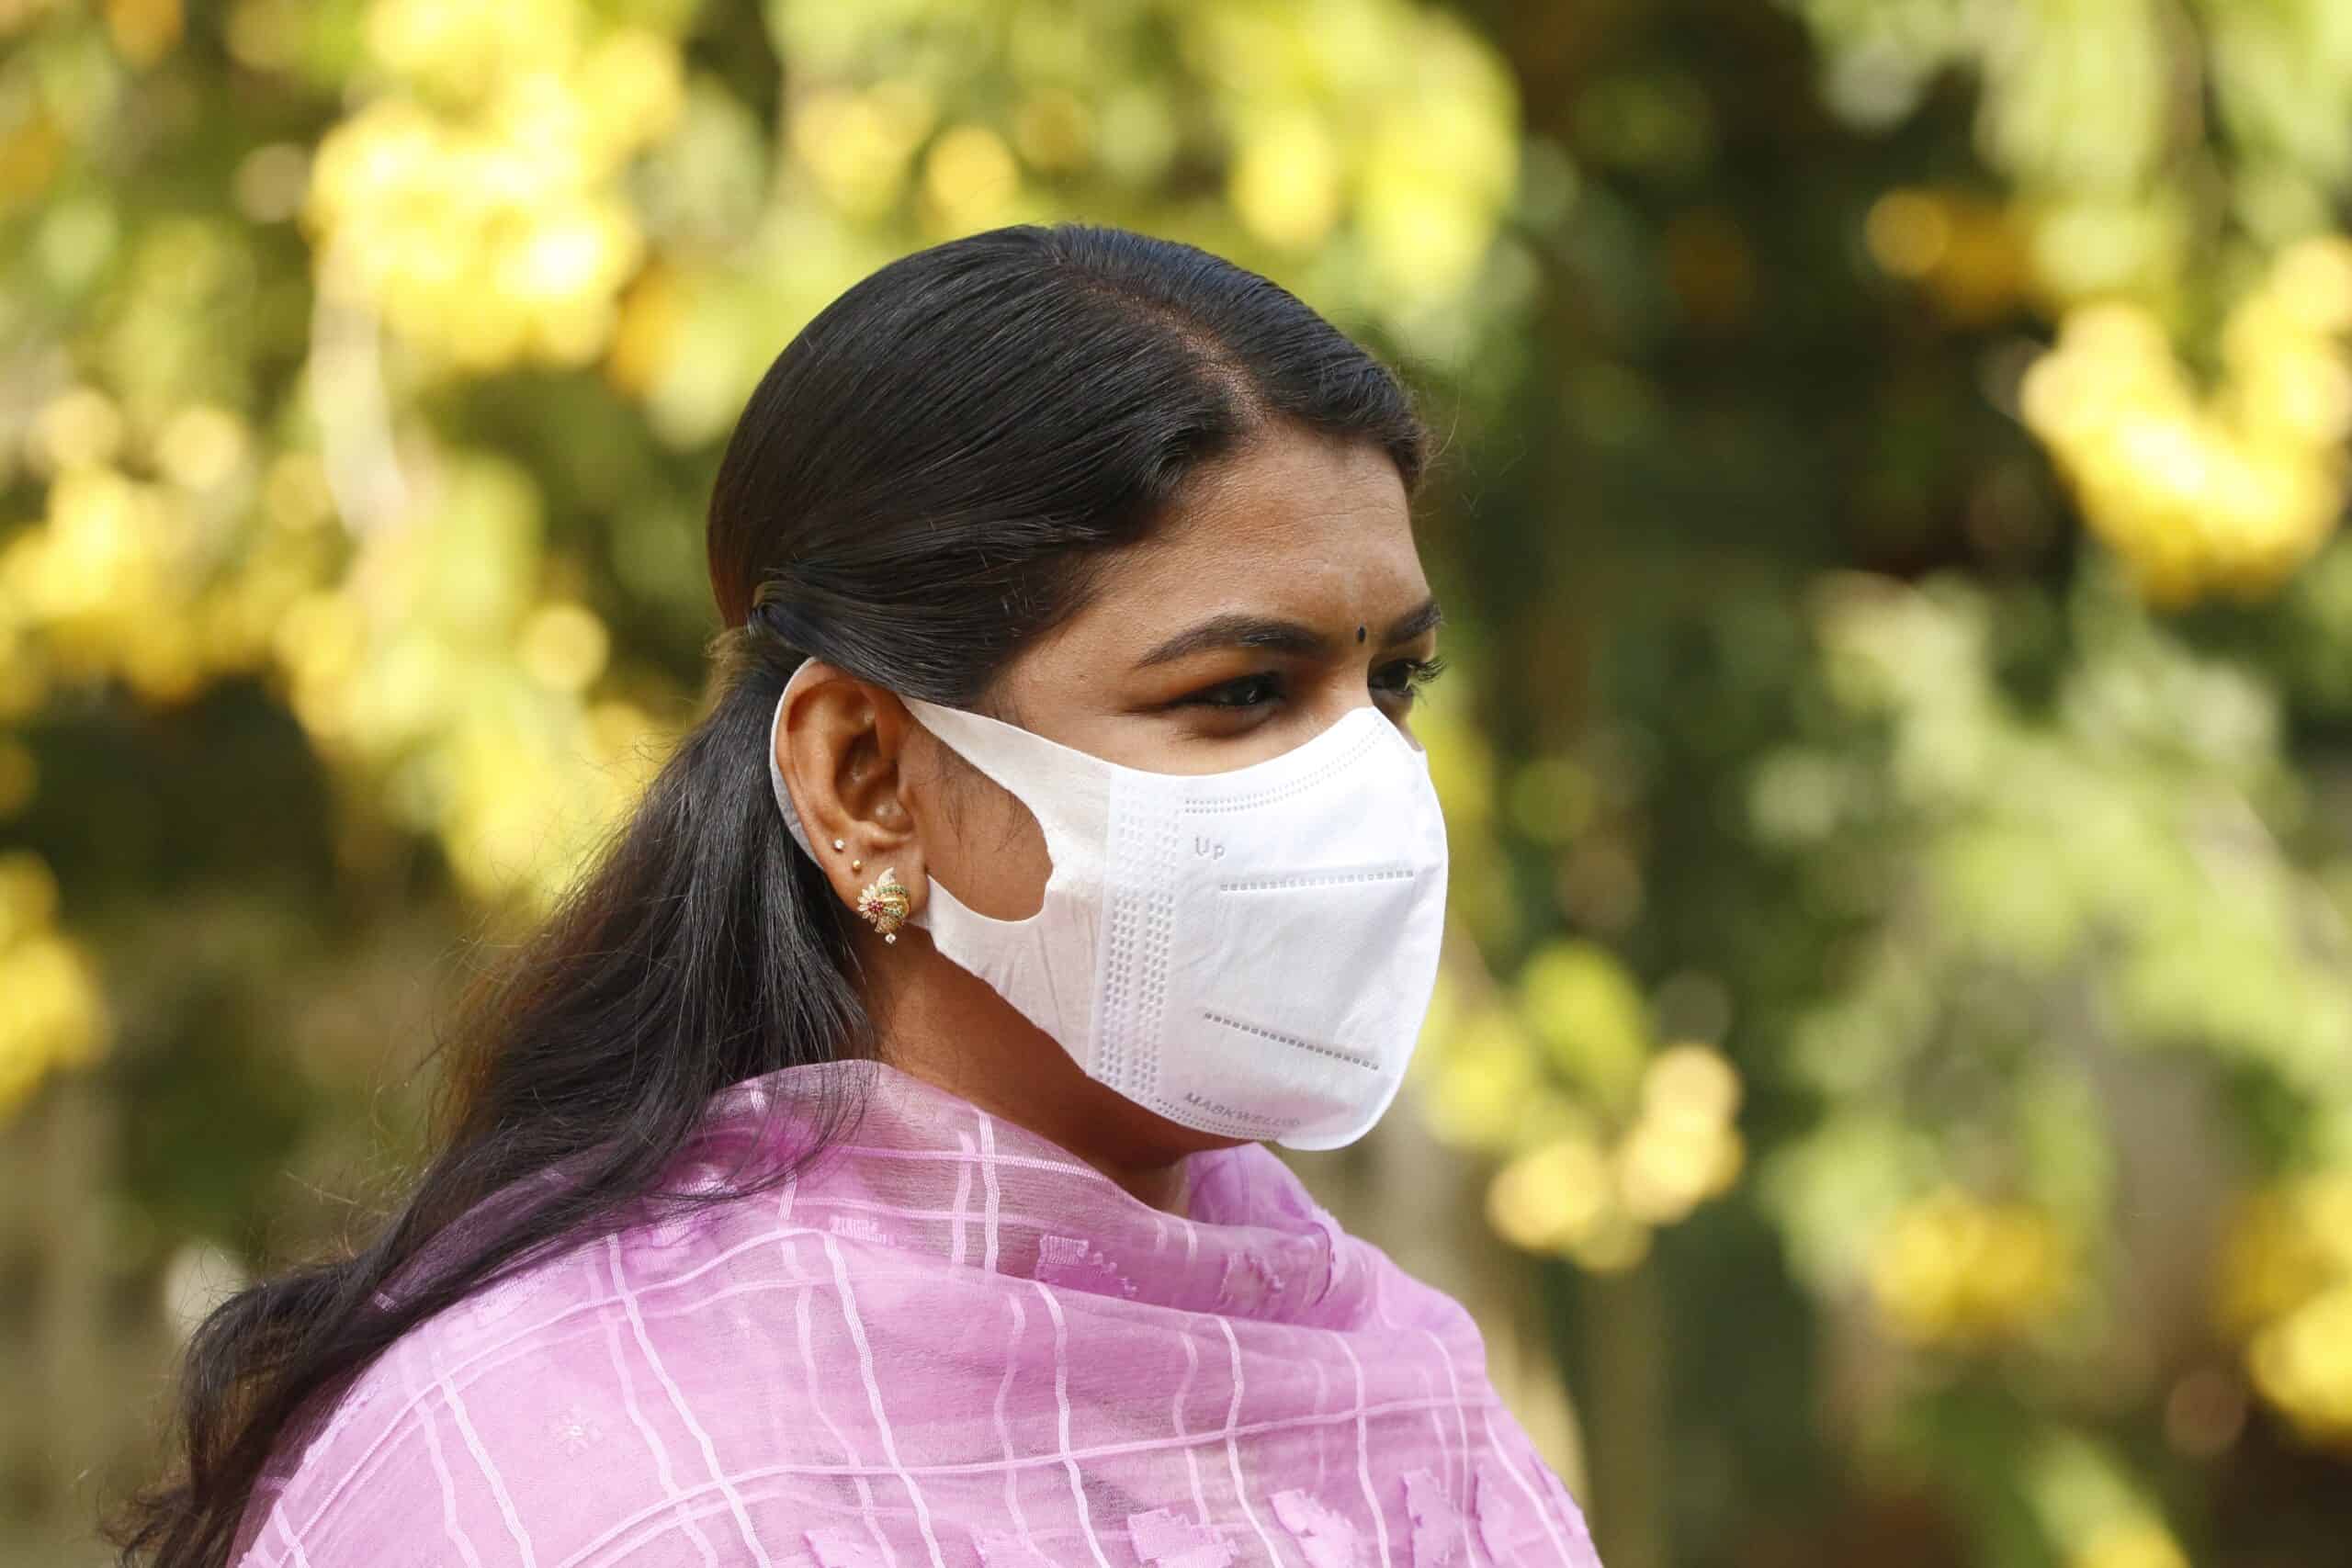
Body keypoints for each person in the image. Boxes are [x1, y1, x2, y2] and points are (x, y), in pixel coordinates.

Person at [112, 223, 1603, 1567]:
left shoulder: (1390, 1393)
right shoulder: (580, 1467)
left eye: (1392, 681)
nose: (1366, 782)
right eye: (1242, 690)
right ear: (866, 780)